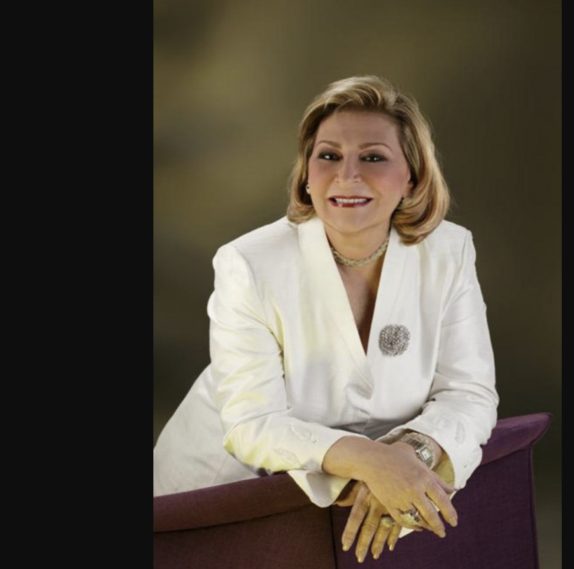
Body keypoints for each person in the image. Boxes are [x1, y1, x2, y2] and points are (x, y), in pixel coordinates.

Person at [153, 75, 499, 563]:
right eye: (329, 155)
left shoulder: (449, 251)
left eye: (373, 157)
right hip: (219, 493)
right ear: (306, 175)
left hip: (351, 497)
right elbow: (252, 424)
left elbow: (470, 392)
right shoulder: (248, 263)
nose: (347, 175)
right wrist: (372, 462)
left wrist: (409, 455)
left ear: (412, 176)